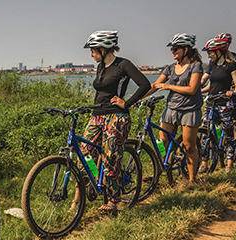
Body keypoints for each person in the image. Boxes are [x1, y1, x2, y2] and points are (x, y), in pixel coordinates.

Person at [80, 30, 151, 213]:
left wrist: (126, 103)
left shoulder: (123, 65)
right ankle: (90, 187)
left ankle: (112, 199)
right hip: (98, 115)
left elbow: (145, 84)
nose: (92, 54)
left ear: (104, 49)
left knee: (110, 157)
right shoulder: (100, 66)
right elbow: (100, 92)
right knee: (85, 152)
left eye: (94, 50)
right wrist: (93, 109)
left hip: (117, 117)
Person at [143, 33, 203, 185]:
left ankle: (192, 180)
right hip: (171, 108)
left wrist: (168, 86)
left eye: (176, 48)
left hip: (190, 109)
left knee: (189, 146)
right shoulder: (169, 68)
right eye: (172, 49)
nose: (172, 51)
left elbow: (192, 89)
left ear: (186, 49)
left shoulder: (195, 66)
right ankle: (162, 170)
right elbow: (155, 86)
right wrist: (135, 99)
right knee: (162, 140)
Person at [200, 37, 236, 172]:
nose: (208, 55)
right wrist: (197, 89)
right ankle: (204, 164)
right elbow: (209, 83)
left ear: (219, 52)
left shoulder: (231, 65)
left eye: (210, 52)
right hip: (211, 101)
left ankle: (229, 163)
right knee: (204, 132)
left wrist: (233, 92)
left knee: (228, 132)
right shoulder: (212, 65)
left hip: (224, 102)